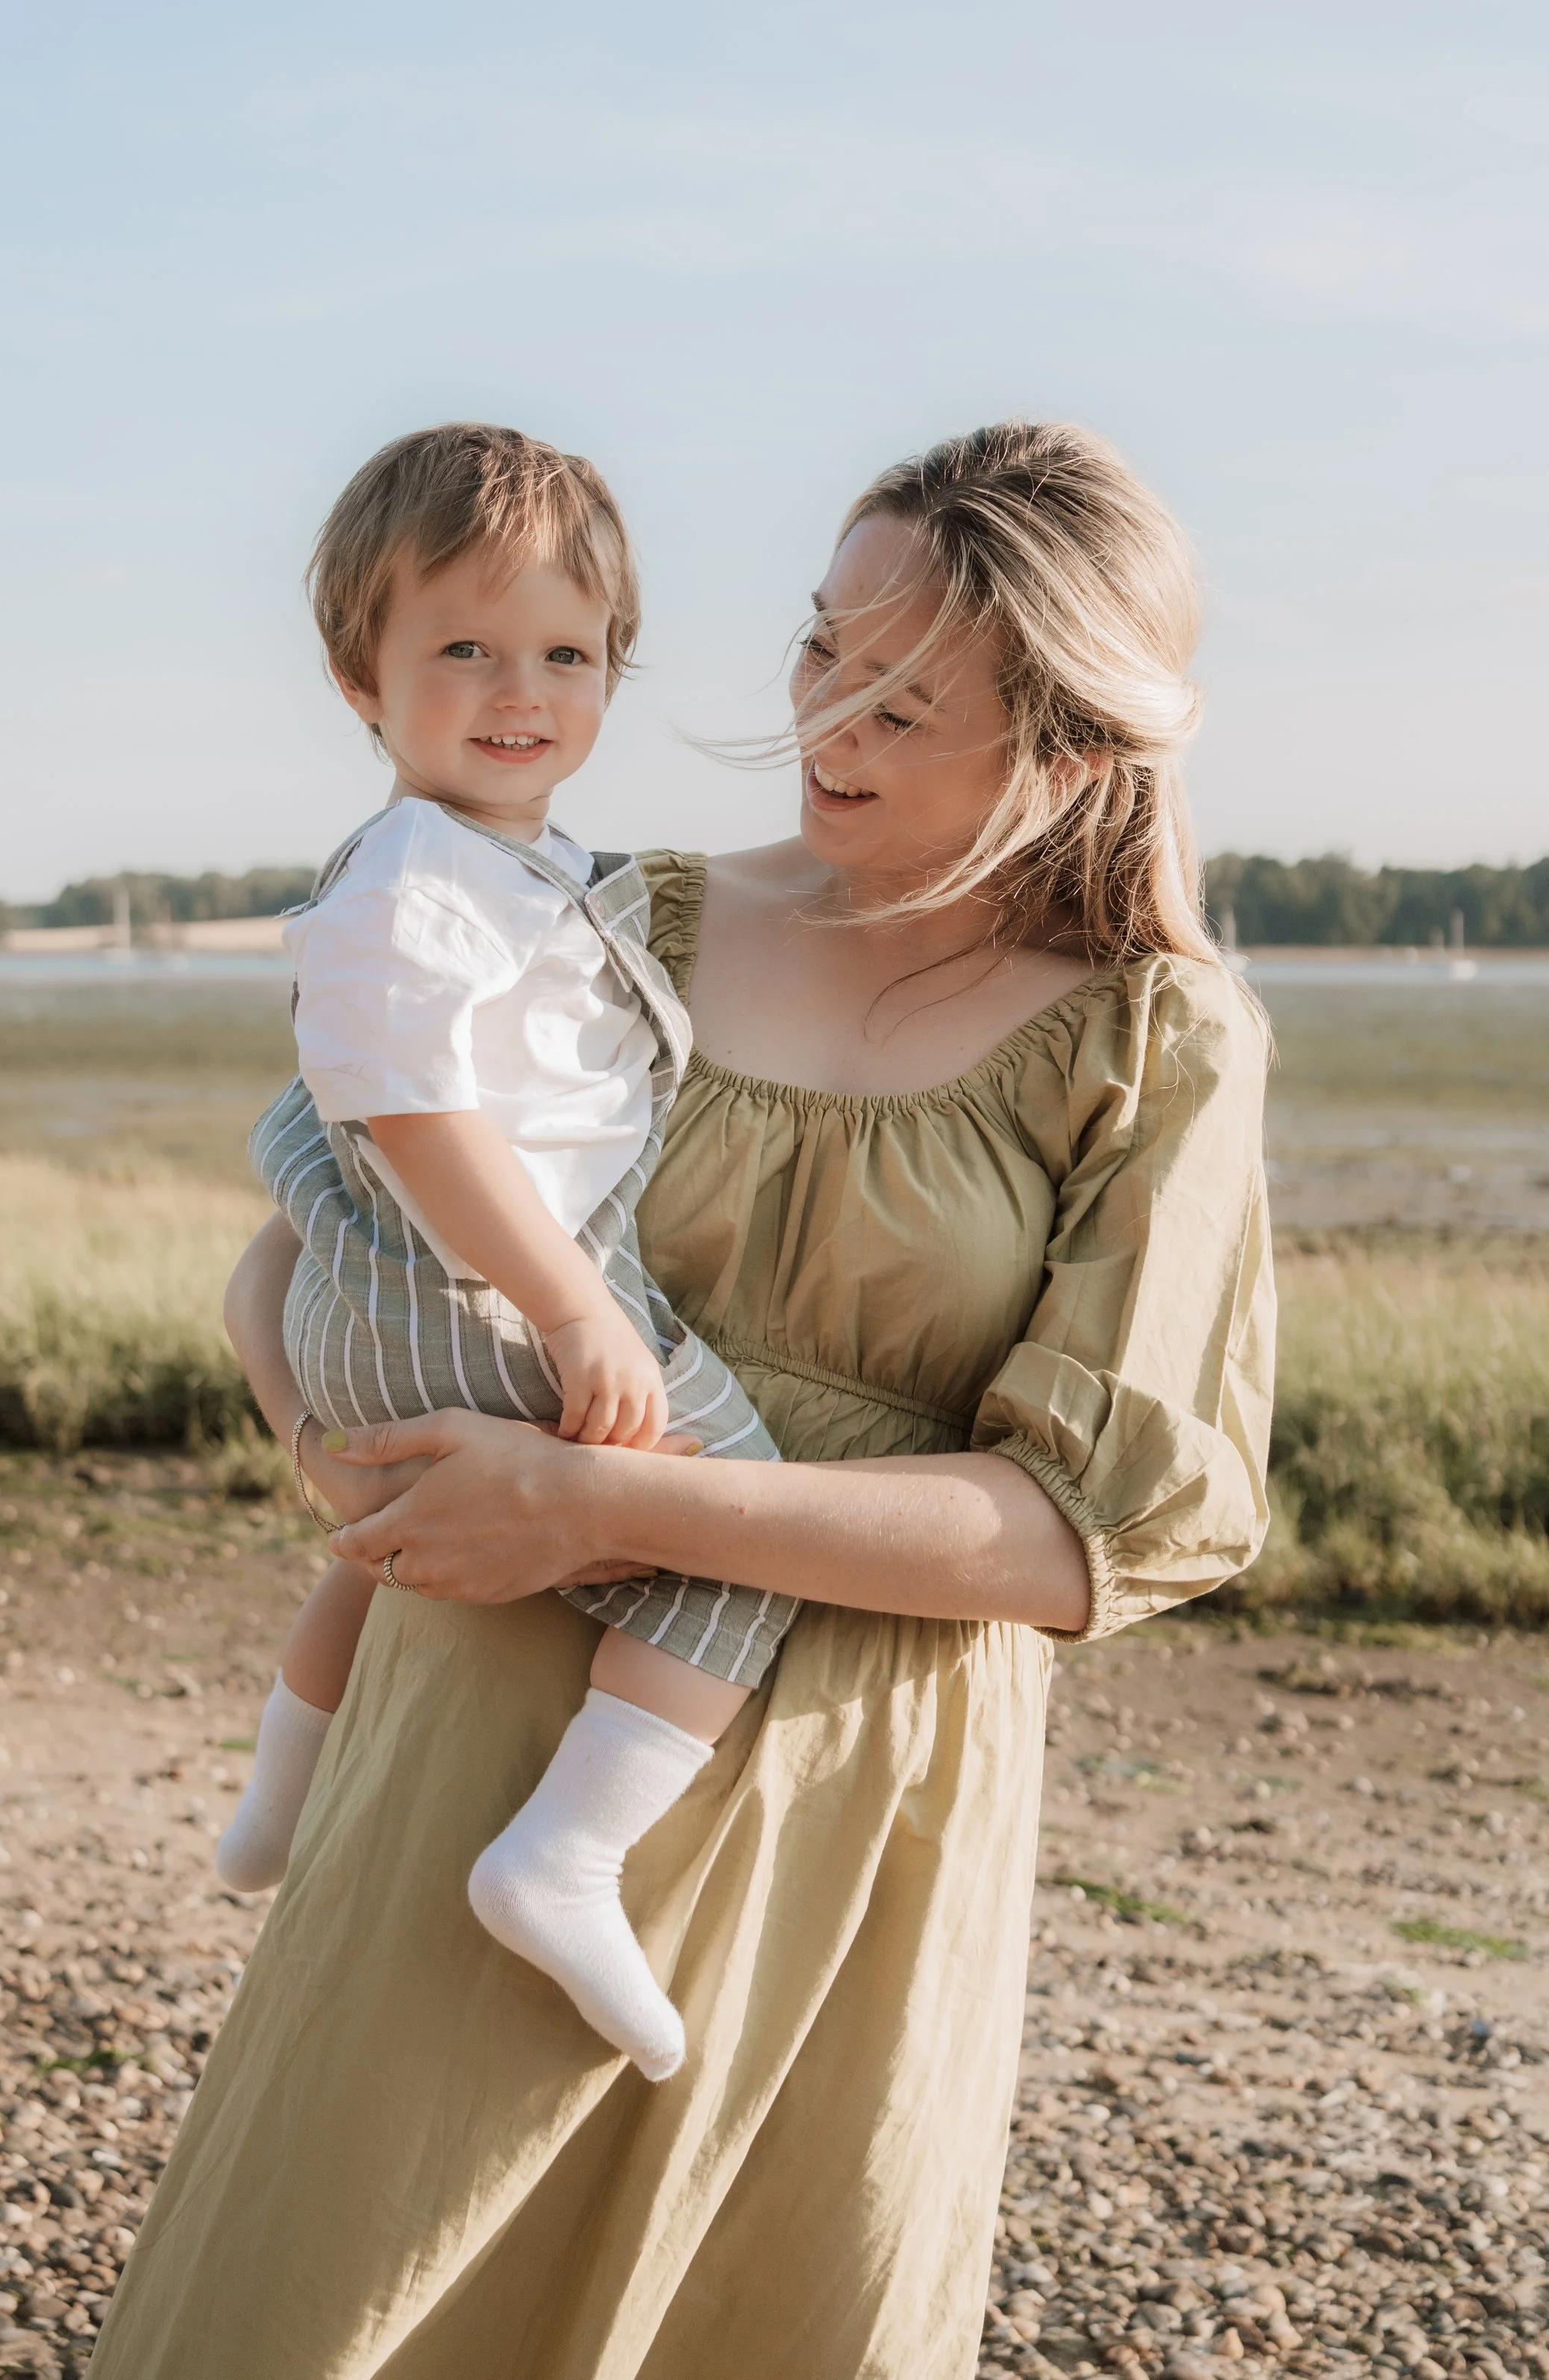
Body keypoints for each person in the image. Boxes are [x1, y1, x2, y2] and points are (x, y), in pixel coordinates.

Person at [90, 418, 1274, 2380]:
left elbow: (1094, 1533)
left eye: (909, 700)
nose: (828, 720)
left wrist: (608, 1509)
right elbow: (295, 1241)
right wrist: (366, 1478)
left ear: (1070, 741)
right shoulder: (602, 913)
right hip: (477, 1728)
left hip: (853, 1826)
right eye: (822, 647)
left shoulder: (1158, 1039)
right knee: (323, 2311)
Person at [215, 422, 790, 2082]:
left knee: (383, 1529)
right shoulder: (413, 874)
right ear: (359, 673)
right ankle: (565, 1853)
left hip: (408, 1299)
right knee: (731, 1540)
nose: (517, 687)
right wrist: (577, 1310)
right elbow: (408, 1113)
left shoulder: (503, 864)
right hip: (477, 1294)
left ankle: (277, 1791)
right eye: (461, 647)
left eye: (565, 651)